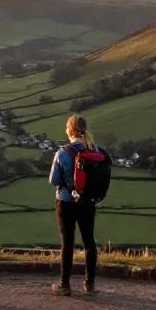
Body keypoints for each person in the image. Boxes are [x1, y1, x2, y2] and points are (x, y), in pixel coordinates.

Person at [48, 115, 100, 295]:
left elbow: (54, 180)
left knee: (67, 242)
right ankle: (90, 284)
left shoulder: (63, 152)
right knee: (89, 242)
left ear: (69, 131)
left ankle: (64, 284)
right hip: (87, 202)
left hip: (66, 201)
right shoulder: (95, 149)